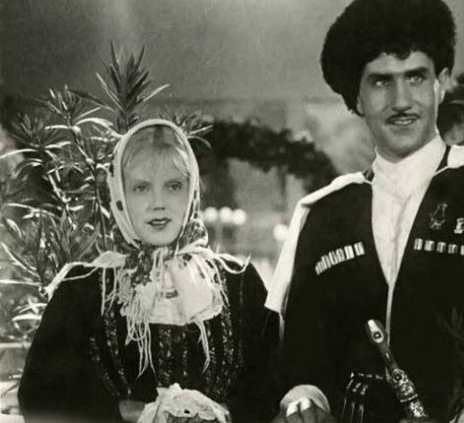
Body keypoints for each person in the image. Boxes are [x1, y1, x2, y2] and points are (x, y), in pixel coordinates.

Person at [266, 0, 464, 423]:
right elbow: (302, 360)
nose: (401, 101)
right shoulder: (324, 214)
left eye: (416, 77)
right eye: (381, 81)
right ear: (356, 98)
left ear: (443, 82)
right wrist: (304, 400)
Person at [18, 119, 278, 423]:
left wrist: (221, 415)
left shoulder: (239, 285)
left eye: (173, 186)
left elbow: (272, 388)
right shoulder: (82, 291)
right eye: (141, 188)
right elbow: (40, 398)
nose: (158, 204)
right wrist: (130, 412)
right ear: (120, 195)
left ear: (192, 191)